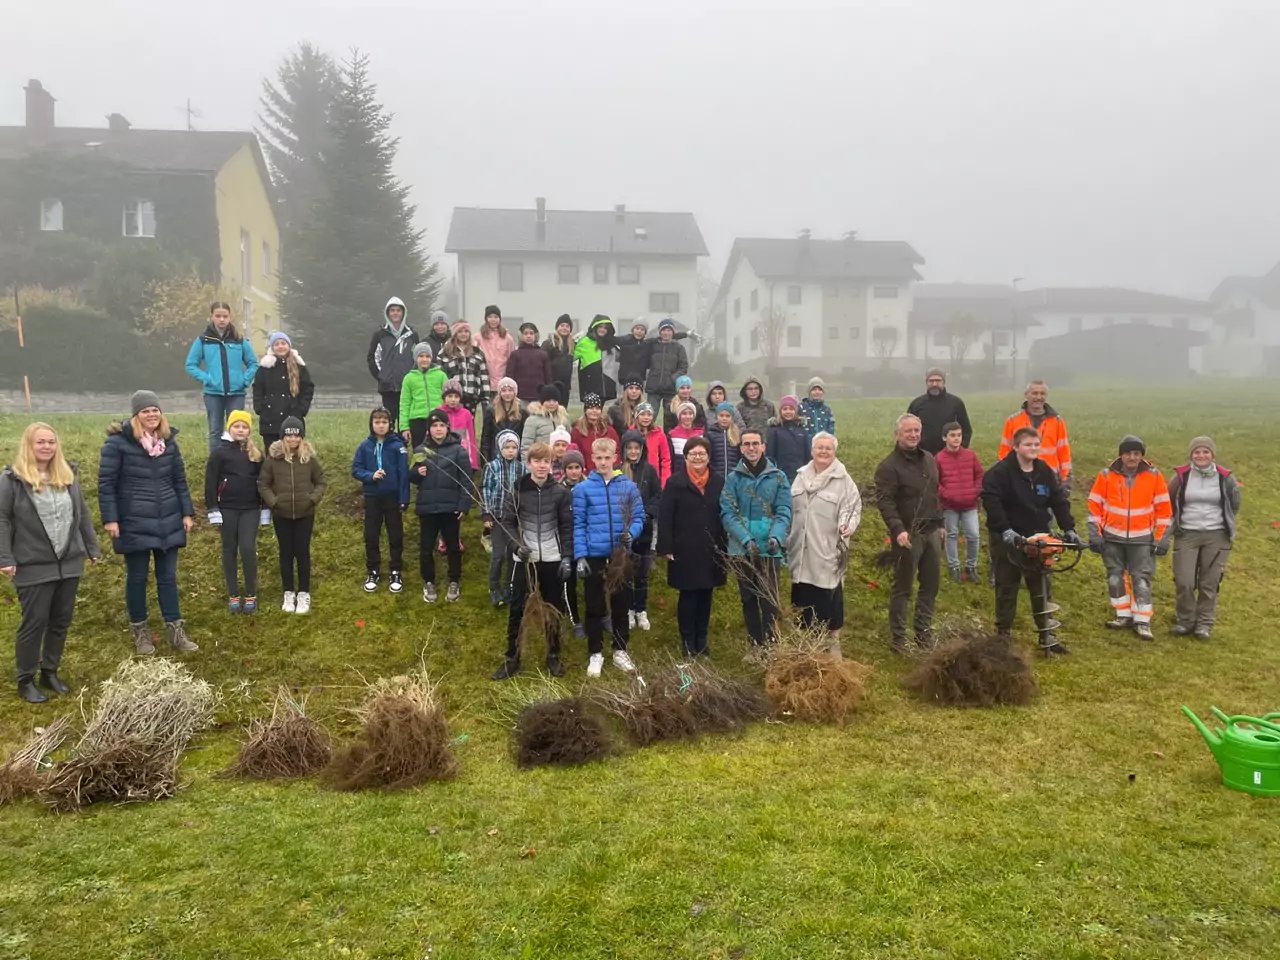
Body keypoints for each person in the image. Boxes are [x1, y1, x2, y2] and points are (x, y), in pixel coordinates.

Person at [0, 423, 101, 702]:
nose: (46, 447)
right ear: (29, 446)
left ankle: (50, 672)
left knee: (60, 622)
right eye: (40, 442)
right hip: (33, 565)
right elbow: (2, 519)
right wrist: (5, 557)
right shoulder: (12, 479)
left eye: (51, 442)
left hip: (68, 564)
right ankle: (25, 679)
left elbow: (81, 515)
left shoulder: (67, 475)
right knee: (34, 622)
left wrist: (91, 548)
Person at [98, 391, 197, 653]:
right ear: (135, 415)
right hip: (133, 521)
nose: (151, 414)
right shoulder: (116, 444)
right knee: (137, 578)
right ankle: (140, 632)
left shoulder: (168, 443)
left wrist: (186, 513)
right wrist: (111, 519)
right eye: (145, 410)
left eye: (155, 409)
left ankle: (175, 630)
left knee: (168, 578)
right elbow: (106, 484)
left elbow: (179, 480)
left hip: (169, 519)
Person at [981, 426, 1080, 655]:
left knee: (1041, 588)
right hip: (1009, 540)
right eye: (1028, 445)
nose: (1033, 448)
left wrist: (1069, 528)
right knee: (1007, 588)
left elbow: (1058, 500)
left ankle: (1047, 634)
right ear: (1016, 447)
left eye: (1037, 444)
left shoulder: (1043, 470)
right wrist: (1005, 530)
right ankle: (1002, 637)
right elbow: (992, 503)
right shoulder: (999, 473)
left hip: (1038, 540)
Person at [491, 442, 574, 679]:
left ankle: (553, 655)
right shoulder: (516, 490)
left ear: (551, 464)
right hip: (523, 560)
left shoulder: (560, 492)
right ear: (528, 464)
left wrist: (567, 557)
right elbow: (506, 523)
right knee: (517, 608)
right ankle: (512, 658)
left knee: (554, 609)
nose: (541, 466)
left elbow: (567, 527)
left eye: (546, 461)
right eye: (537, 461)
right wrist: (517, 546)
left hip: (551, 558)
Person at [1086, 435, 1172, 641]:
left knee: (1140, 579)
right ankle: (1122, 615)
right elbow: (1094, 506)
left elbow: (1164, 510)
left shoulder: (1154, 476)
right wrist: (1095, 534)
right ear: (1121, 455)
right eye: (1128, 453)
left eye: (1136, 453)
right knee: (1115, 577)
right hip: (1112, 537)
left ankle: (1142, 620)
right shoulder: (1106, 475)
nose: (1132, 457)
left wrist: (1161, 538)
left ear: (1142, 456)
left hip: (1142, 539)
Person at [573, 438, 645, 677]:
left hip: (619, 555)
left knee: (621, 603)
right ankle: (595, 652)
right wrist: (580, 555)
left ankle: (620, 650)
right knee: (594, 606)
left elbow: (639, 517)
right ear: (592, 459)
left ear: (615, 458)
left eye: (607, 458)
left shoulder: (628, 487)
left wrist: (631, 534)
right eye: (598, 458)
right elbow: (579, 524)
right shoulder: (582, 489)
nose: (603, 462)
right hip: (594, 555)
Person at [787, 432, 861, 655]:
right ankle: (806, 646)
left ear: (834, 452)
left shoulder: (843, 481)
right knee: (803, 597)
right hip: (801, 551)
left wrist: (847, 526)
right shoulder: (801, 476)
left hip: (827, 548)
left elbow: (852, 508)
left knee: (829, 596)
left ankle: (832, 644)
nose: (823, 451)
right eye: (819, 447)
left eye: (828, 448)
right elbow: (791, 508)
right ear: (812, 451)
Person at [874, 413, 943, 652]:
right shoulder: (888, 467)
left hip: (931, 530)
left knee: (930, 585)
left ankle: (923, 635)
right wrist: (898, 529)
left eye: (916, 431)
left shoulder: (929, 459)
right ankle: (899, 639)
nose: (913, 435)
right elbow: (885, 502)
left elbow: (935, 494)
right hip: (907, 535)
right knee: (903, 586)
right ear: (897, 435)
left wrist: (941, 523)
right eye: (908, 431)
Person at [657, 436, 728, 657]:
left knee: (706, 594)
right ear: (685, 457)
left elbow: (724, 513)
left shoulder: (718, 481)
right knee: (688, 595)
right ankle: (687, 641)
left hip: (711, 547)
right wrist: (666, 545)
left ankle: (701, 638)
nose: (698, 458)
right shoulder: (674, 483)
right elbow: (665, 516)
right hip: (684, 547)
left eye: (702, 454)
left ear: (708, 457)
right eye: (693, 454)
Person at [721, 427, 791, 646]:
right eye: (747, 444)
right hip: (741, 549)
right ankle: (754, 642)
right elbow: (727, 512)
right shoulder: (733, 479)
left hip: (769, 549)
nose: (751, 448)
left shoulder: (778, 477)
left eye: (755, 444)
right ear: (741, 448)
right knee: (748, 598)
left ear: (763, 446)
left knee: (769, 600)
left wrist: (777, 538)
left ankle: (771, 644)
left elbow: (784, 511)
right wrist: (745, 539)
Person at [1166, 436, 1240, 640]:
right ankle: (1185, 621)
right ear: (1191, 455)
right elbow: (1169, 501)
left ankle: (1204, 624)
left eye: (1205, 452)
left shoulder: (1225, 478)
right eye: (1197, 452)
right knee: (1184, 580)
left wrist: (1224, 525)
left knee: (1210, 582)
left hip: (1217, 536)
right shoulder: (1181, 477)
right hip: (1187, 534)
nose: (1201, 455)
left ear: (1212, 454)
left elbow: (1233, 504)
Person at [258, 417, 325, 615]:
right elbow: (263, 484)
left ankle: (304, 592)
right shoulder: (273, 460)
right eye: (289, 435)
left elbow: (321, 481)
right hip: (282, 514)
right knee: (286, 553)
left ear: (301, 437)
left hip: (305, 513)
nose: (293, 439)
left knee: (302, 552)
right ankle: (288, 592)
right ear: (283, 437)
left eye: (296, 435)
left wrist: (312, 499)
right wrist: (274, 502)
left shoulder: (309, 459)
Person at [205, 410, 267, 615]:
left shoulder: (256, 454)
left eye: (244, 427)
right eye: (236, 426)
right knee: (229, 549)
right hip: (227, 509)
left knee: (248, 548)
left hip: (250, 508)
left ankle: (251, 594)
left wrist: (265, 508)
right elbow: (210, 482)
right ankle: (233, 594)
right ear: (229, 428)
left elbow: (265, 483)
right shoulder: (219, 453)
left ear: (249, 430)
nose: (240, 430)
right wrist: (213, 508)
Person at [410, 409, 472, 604]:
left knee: (453, 546)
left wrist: (463, 504)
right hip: (427, 508)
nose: (438, 429)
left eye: (441, 426)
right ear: (429, 429)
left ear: (447, 427)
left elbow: (466, 480)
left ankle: (454, 580)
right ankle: (428, 582)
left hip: (450, 508)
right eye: (434, 426)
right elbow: (410, 477)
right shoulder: (420, 450)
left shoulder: (458, 450)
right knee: (426, 547)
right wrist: (416, 473)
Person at [351, 406, 410, 594]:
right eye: (377, 422)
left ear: (390, 424)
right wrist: (370, 476)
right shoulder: (365, 445)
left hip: (392, 497)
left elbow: (404, 474)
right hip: (372, 497)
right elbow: (356, 469)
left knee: (395, 535)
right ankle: (373, 571)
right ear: (371, 424)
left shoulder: (397, 446)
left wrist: (404, 498)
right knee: (371, 535)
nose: (381, 425)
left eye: (384, 422)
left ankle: (395, 571)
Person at [186, 301, 258, 452]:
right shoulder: (203, 340)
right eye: (218, 316)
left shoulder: (239, 339)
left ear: (230, 317)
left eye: (225, 316)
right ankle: (216, 465)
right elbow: (190, 365)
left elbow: (253, 363)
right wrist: (207, 379)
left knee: (238, 431)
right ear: (211, 317)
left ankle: (238, 462)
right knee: (215, 432)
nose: (221, 319)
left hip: (236, 394)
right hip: (213, 394)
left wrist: (244, 380)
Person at [996, 380, 1072, 491]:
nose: (1038, 397)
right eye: (1035, 393)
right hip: (1019, 477)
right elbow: (1004, 452)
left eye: (1042, 394)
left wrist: (1066, 483)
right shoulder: (1012, 421)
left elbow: (1064, 453)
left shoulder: (1057, 421)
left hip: (1049, 478)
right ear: (1026, 395)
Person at [620, 430, 661, 632]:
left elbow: (657, 496)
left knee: (642, 573)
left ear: (642, 449)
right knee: (625, 571)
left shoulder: (650, 470)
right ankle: (627, 609)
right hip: (623, 532)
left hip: (644, 530)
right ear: (624, 449)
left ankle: (640, 609)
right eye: (630, 448)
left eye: (637, 448)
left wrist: (648, 514)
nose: (633, 451)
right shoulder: (618, 471)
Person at [481, 429, 526, 607]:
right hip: (498, 518)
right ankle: (493, 588)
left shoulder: (522, 468)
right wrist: (486, 513)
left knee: (511, 555)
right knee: (498, 554)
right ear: (500, 448)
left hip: (514, 519)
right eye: (507, 447)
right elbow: (485, 489)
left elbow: (524, 492)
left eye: (514, 447)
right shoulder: (491, 467)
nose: (510, 451)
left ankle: (509, 587)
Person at [936, 421, 984, 583]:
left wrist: (975, 492)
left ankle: (971, 567)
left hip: (970, 504)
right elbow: (936, 482)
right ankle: (954, 568)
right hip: (950, 506)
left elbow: (979, 476)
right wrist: (947, 495)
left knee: (973, 536)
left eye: (959, 435)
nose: (957, 439)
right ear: (944, 438)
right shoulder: (939, 458)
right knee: (951, 535)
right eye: (953, 435)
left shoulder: (970, 455)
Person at [252, 331, 314, 450]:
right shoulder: (265, 368)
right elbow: (258, 388)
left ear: (289, 346)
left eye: (283, 343)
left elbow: (307, 388)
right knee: (272, 453)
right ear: (272, 347)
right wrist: (260, 408)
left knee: (293, 453)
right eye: (276, 344)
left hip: (293, 417)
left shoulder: (299, 367)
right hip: (270, 418)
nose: (280, 346)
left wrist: (301, 409)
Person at [365, 296, 417, 429]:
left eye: (398, 310)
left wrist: (413, 377)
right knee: (389, 421)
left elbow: (418, 357)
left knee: (405, 422)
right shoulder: (380, 335)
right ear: (387, 313)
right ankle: (390, 447)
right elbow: (372, 358)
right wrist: (382, 376)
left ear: (403, 313)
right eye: (392, 310)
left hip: (407, 385)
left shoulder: (412, 335)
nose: (395, 313)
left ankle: (403, 447)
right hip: (388, 388)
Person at [907, 368, 972, 455]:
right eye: (931, 381)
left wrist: (960, 450)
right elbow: (906, 428)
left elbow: (966, 430)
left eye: (938, 380)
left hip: (949, 455)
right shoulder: (916, 404)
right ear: (926, 382)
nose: (934, 384)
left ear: (944, 382)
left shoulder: (956, 403)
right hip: (922, 455)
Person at [560, 448, 587, 639]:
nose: (574, 471)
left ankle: (599, 615)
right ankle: (575, 620)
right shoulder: (559, 489)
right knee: (568, 583)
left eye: (577, 467)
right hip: (566, 541)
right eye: (570, 467)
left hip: (587, 541)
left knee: (592, 580)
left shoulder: (590, 485)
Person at [440, 321, 494, 414]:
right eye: (460, 331)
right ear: (455, 333)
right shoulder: (446, 351)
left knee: (469, 425)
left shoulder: (477, 351)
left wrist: (485, 397)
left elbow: (484, 375)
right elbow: (441, 375)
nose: (463, 334)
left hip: (472, 396)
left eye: (466, 331)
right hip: (452, 397)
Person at [399, 343, 446, 448]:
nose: (424, 359)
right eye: (421, 356)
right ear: (416, 358)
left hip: (437, 418)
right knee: (420, 452)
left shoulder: (441, 375)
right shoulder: (409, 378)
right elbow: (404, 403)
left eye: (427, 356)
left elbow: (446, 399)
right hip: (417, 420)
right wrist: (404, 427)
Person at [646, 318, 690, 412]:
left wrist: (672, 379)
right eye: (663, 330)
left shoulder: (679, 348)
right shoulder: (652, 346)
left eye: (669, 330)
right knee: (649, 415)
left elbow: (683, 367)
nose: (666, 333)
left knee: (670, 418)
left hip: (671, 389)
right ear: (660, 332)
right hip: (653, 388)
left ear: (673, 332)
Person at [574, 315, 621, 401]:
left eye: (605, 328)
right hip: (589, 384)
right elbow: (570, 356)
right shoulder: (584, 341)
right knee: (590, 411)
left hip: (606, 385)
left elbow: (622, 357)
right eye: (600, 327)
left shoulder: (611, 344)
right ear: (595, 327)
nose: (602, 330)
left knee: (598, 412)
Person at [479, 377, 526, 463]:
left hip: (515, 454)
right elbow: (486, 437)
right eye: (504, 390)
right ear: (499, 392)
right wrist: (485, 460)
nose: (507, 393)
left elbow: (524, 436)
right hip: (495, 455)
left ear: (515, 392)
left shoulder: (522, 411)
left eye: (510, 390)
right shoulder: (491, 410)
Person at [766, 395, 809, 481]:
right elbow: (770, 454)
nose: (788, 412)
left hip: (800, 473)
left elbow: (807, 453)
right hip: (781, 474)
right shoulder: (774, 430)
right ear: (780, 411)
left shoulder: (802, 430)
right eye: (785, 409)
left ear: (796, 411)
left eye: (791, 409)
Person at [521, 384, 571, 457]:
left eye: (554, 400)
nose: (551, 403)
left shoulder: (563, 419)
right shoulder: (533, 420)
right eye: (548, 400)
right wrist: (527, 465)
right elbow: (526, 446)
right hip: (540, 460)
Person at [507, 323, 552, 403]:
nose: (528, 336)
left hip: (538, 396)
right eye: (526, 333)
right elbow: (510, 376)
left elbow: (548, 376)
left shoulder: (543, 355)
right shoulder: (515, 355)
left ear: (536, 336)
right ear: (521, 336)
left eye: (531, 333)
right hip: (520, 396)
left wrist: (547, 393)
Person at [441, 379, 479, 472]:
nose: (453, 399)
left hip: (461, 456)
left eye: (456, 396)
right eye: (450, 396)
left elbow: (470, 439)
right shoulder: (438, 412)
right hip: (443, 457)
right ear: (444, 397)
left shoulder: (466, 414)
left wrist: (472, 463)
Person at [570, 394, 621, 465]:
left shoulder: (609, 430)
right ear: (585, 410)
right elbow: (574, 453)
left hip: (608, 471)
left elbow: (617, 451)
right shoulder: (577, 431)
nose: (594, 411)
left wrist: (614, 468)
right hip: (587, 473)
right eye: (591, 408)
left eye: (597, 408)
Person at [478, 305, 517, 393]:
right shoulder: (478, 337)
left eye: (496, 317)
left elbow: (511, 359)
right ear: (486, 319)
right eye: (490, 317)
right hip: (484, 382)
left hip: (502, 383)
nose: (493, 320)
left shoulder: (507, 338)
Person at [633, 402, 671, 488]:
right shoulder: (631, 433)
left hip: (654, 478)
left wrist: (664, 481)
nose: (646, 417)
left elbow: (666, 459)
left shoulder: (659, 434)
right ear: (636, 416)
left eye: (649, 415)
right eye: (642, 414)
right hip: (635, 477)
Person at [542, 314, 576, 405]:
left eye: (567, 326)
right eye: (562, 325)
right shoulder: (549, 343)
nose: (564, 328)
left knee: (562, 411)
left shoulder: (571, 345)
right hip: (551, 384)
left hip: (565, 386)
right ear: (557, 327)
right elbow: (543, 363)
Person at [705, 402, 741, 479]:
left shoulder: (737, 435)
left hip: (733, 477)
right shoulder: (710, 434)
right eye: (721, 415)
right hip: (715, 477)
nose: (724, 418)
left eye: (727, 416)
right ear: (716, 417)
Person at [668, 401, 705, 474]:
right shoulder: (672, 434)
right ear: (679, 416)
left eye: (690, 413)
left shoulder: (701, 433)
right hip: (678, 474)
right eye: (684, 414)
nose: (688, 417)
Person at [617, 320, 655, 389]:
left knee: (638, 397)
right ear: (632, 330)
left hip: (639, 378)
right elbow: (612, 340)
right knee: (626, 397)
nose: (639, 331)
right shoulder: (625, 340)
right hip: (625, 378)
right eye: (637, 328)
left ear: (645, 333)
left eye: (642, 329)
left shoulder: (647, 344)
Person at [798, 377, 835, 445]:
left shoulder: (827, 410)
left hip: (822, 447)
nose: (817, 392)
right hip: (805, 447)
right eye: (814, 389)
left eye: (820, 389)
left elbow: (831, 429)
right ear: (809, 391)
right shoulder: (800, 408)